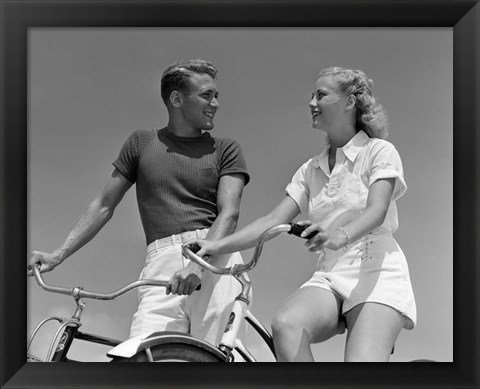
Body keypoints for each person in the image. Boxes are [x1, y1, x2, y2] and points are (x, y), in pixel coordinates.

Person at [186, 66, 417, 362]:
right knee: (286, 325)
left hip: (376, 270)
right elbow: (271, 221)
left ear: (349, 102)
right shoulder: (310, 169)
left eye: (320, 95)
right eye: (312, 95)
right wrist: (215, 246)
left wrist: (336, 236)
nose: (311, 103)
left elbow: (377, 209)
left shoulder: (378, 151)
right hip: (331, 273)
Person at [28, 59, 250, 347]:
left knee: (214, 358)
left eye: (217, 95)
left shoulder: (225, 148)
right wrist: (57, 255)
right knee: (141, 354)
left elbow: (229, 214)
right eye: (207, 95)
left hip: (215, 259)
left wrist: (198, 266)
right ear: (177, 99)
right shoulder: (141, 143)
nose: (216, 103)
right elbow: (103, 205)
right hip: (160, 266)